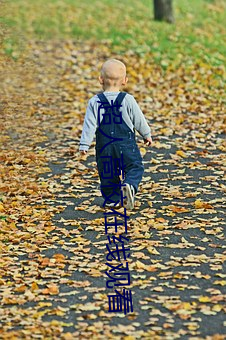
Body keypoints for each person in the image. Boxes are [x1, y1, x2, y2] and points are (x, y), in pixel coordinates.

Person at [79, 59, 152, 210]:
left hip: (105, 146)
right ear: (125, 81)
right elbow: (138, 119)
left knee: (108, 173)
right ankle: (129, 185)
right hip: (125, 144)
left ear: (101, 79)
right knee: (134, 167)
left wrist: (84, 144)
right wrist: (146, 134)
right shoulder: (128, 100)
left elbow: (89, 125)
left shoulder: (95, 102)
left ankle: (113, 199)